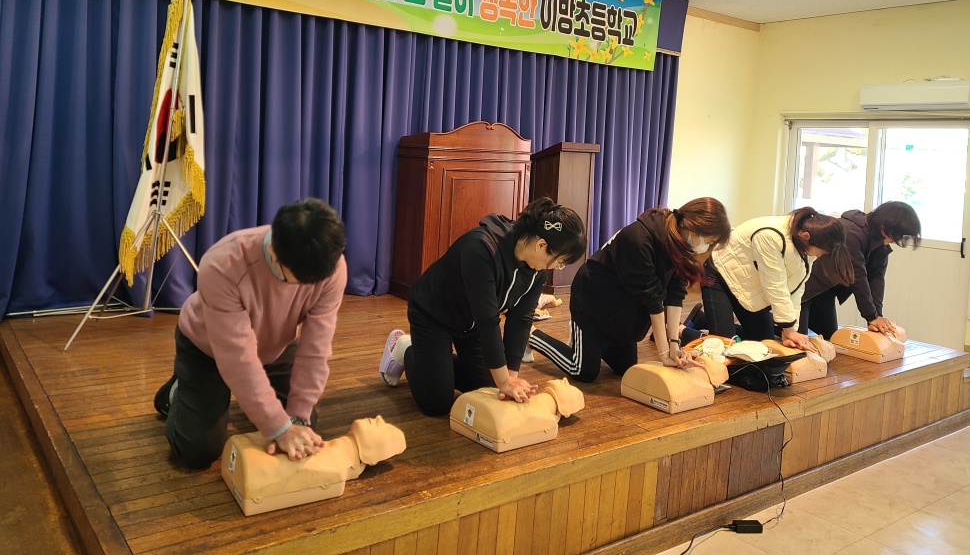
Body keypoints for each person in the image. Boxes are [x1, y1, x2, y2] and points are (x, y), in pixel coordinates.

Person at [153, 198, 347, 469]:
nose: (308, 288)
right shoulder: (222, 264)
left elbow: (316, 348)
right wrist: (278, 428)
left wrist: (297, 419)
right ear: (274, 251)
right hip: (208, 347)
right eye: (299, 282)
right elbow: (237, 358)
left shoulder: (331, 266)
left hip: (275, 344)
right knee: (197, 451)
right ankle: (178, 390)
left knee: (304, 425)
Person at [379, 198, 587, 416]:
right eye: (559, 262)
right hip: (434, 315)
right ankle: (407, 348)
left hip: (471, 323)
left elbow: (521, 319)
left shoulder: (537, 270)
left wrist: (510, 379)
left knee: (490, 389)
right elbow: (487, 320)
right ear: (541, 245)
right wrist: (504, 380)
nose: (556, 267)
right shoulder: (481, 248)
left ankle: (436, 365)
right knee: (437, 403)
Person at [529, 198, 732, 383]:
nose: (707, 247)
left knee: (625, 369)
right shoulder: (639, 238)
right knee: (583, 371)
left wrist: (674, 345)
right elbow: (653, 299)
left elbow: (675, 293)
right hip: (593, 301)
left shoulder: (679, 243)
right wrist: (664, 353)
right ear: (694, 226)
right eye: (709, 241)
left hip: (624, 309)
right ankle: (531, 335)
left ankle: (588, 343)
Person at [701, 208, 854, 351]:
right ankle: (692, 328)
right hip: (719, 273)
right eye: (822, 251)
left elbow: (796, 288)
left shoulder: (806, 244)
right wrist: (788, 329)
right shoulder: (770, 235)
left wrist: (790, 331)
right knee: (724, 346)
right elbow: (775, 285)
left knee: (766, 345)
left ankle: (702, 319)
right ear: (805, 236)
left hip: (747, 283)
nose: (822, 255)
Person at [800, 202, 922, 340]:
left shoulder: (880, 241)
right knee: (798, 340)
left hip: (825, 290)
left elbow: (876, 278)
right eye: (898, 233)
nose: (897, 239)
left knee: (830, 338)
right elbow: (858, 276)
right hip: (805, 288)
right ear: (885, 224)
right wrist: (871, 316)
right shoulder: (852, 233)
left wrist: (877, 316)